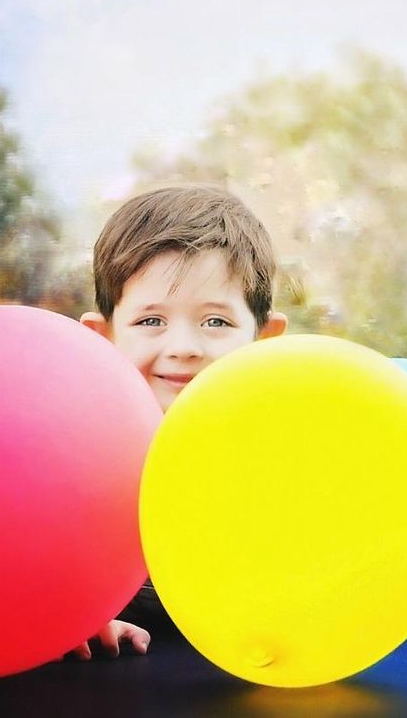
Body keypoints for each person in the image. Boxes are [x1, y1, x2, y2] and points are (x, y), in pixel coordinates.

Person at [70, 184, 287, 659]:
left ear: (265, 340)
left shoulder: (283, 458)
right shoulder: (74, 461)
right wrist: (73, 613)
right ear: (102, 338)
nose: (184, 346)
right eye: (151, 322)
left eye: (216, 322)